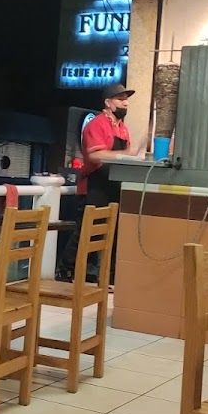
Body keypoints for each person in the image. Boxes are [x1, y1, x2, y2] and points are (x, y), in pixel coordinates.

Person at [56, 83, 147, 282]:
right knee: (87, 230)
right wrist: (125, 154)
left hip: (113, 185)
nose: (125, 103)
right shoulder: (97, 124)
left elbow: (127, 155)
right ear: (108, 102)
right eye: (120, 99)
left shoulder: (122, 128)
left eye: (126, 100)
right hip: (94, 186)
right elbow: (95, 155)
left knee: (112, 231)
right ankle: (65, 269)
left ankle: (105, 274)